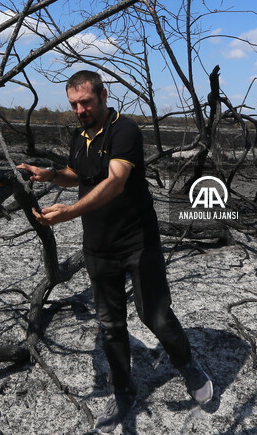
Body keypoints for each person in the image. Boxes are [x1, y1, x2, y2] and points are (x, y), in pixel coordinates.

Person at [17, 70, 212, 433]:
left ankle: (188, 365)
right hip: (99, 247)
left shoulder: (125, 130)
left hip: (138, 242)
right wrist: (49, 174)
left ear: (103, 95)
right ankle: (123, 393)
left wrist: (69, 212)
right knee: (110, 325)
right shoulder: (80, 135)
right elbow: (79, 173)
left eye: (86, 102)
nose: (79, 109)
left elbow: (116, 180)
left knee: (155, 316)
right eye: (73, 104)